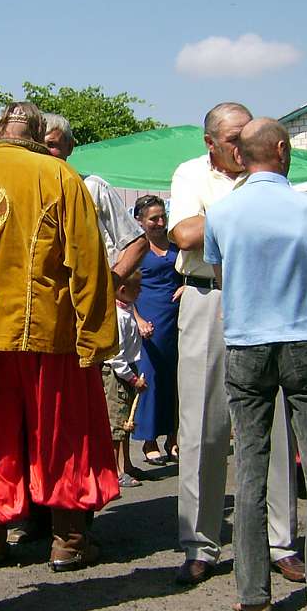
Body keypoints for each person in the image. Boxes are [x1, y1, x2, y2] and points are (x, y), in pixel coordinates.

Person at [0, 102, 119, 572]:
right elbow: (87, 260)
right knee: (61, 435)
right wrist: (97, 337)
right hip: (48, 332)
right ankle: (67, 539)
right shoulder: (60, 176)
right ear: (41, 132)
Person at [204, 118, 307, 611]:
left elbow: (223, 278)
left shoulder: (221, 214)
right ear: (283, 151)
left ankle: (253, 596)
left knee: (249, 466)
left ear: (241, 157)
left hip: (248, 342)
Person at [168, 102, 305, 587]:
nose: (243, 146)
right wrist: (248, 203)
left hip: (266, 297)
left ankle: (280, 541)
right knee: (202, 427)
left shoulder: (267, 173)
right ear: (210, 143)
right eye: (232, 140)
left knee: (274, 423)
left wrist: (226, 213)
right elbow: (184, 234)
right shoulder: (190, 174)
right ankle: (200, 542)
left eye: (248, 136)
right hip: (209, 298)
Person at [42, 113, 147, 282]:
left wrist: (110, 284)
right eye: (38, 145)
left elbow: (138, 244)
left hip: (87, 299)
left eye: (52, 145)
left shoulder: (93, 188)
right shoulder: (30, 192)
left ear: (70, 147)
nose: (44, 152)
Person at [129, 194, 181, 467]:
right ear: (140, 221)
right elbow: (123, 287)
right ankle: (149, 439)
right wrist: (136, 318)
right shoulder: (136, 248)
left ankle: (173, 437)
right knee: (151, 379)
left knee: (176, 379)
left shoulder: (176, 244)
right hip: (148, 317)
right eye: (153, 219)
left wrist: (186, 285)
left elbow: (188, 270)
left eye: (163, 217)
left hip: (176, 317)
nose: (160, 223)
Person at [105, 269, 147, 487]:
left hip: (127, 369)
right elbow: (116, 356)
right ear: (122, 290)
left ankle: (127, 463)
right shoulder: (118, 317)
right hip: (118, 375)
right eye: (137, 288)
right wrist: (133, 379)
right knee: (117, 424)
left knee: (127, 423)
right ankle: (116, 469)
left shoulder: (128, 310)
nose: (140, 291)